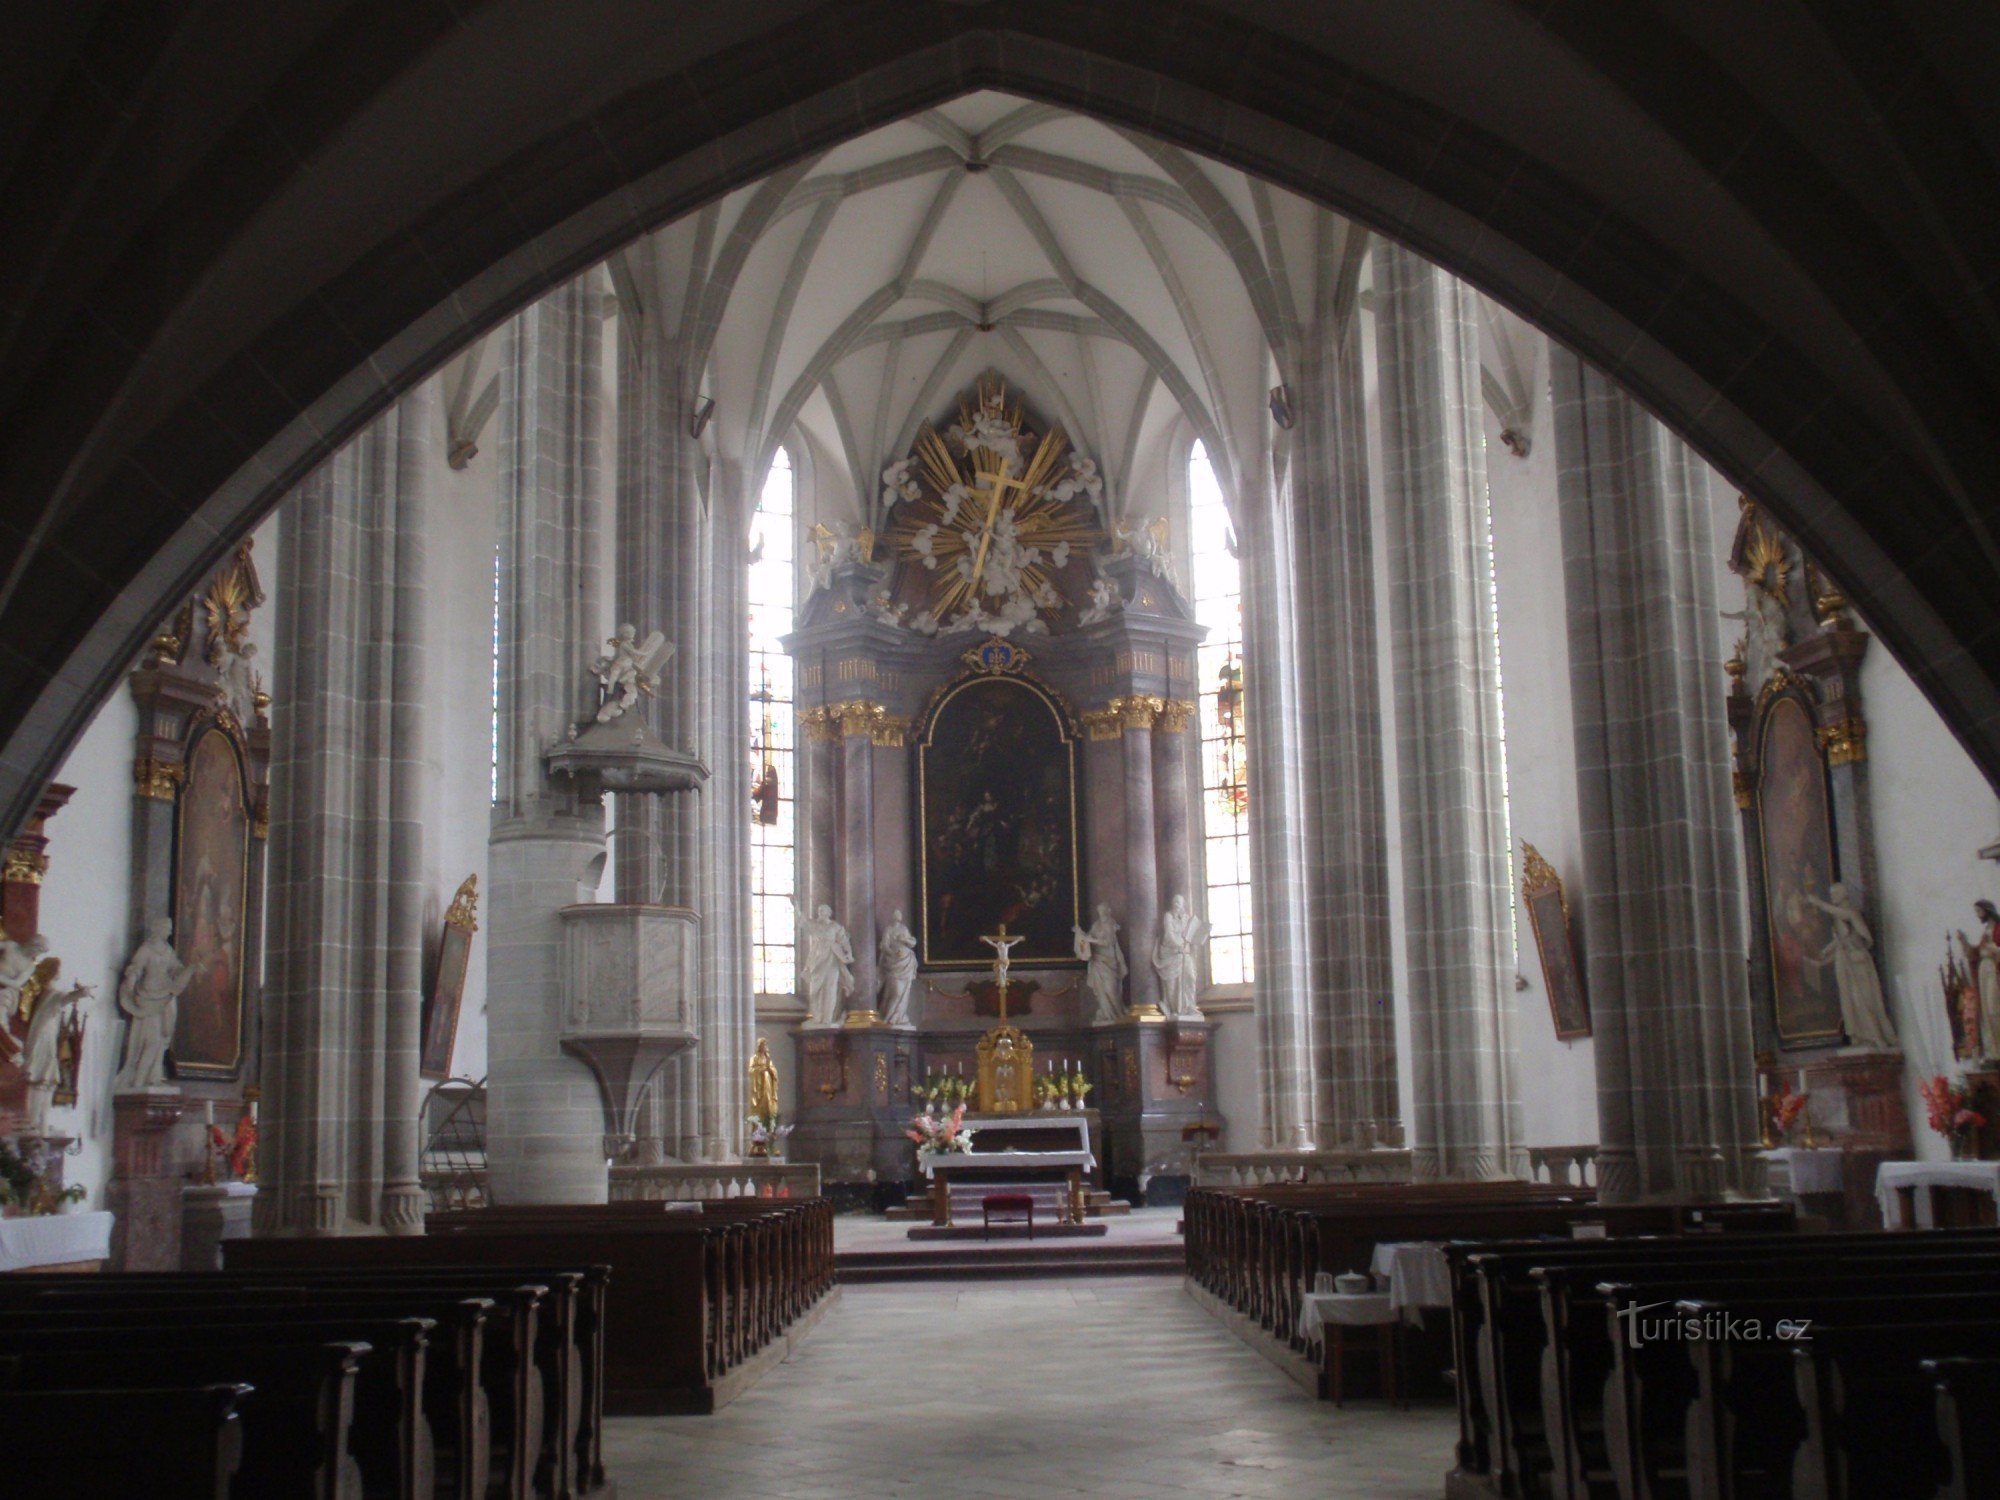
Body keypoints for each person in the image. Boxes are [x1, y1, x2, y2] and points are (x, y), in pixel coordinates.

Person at [1804, 883, 1898, 1050]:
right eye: (1831, 894)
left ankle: (1876, 1036)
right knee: (1849, 1002)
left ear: (1844, 894)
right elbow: (1840, 943)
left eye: (1835, 893)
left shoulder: (1851, 913)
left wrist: (1819, 903)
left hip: (1858, 962)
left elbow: (1846, 919)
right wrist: (1823, 955)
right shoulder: (1838, 918)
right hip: (1844, 962)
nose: (1832, 897)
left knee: (1864, 999)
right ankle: (1859, 1037)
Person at [115, 916, 193, 1089]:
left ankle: (153, 1078)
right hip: (149, 997)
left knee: (162, 1042)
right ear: (157, 928)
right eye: (166, 928)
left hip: (165, 997)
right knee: (152, 1042)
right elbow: (136, 967)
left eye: (170, 929)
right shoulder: (146, 949)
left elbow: (176, 969)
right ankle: (138, 1081)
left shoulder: (168, 950)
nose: (169, 932)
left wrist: (189, 969)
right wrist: (131, 979)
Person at [798, 903, 856, 1026]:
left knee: (830, 988)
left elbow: (844, 941)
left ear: (829, 913)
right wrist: (796, 906)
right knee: (814, 991)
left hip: (832, 958)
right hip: (816, 958)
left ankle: (827, 1019)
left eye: (823, 910)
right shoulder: (815, 925)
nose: (820, 913)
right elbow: (803, 922)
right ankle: (817, 1017)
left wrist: (849, 954)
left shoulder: (835, 927)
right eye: (819, 911)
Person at [1153, 894, 1207, 1019]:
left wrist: (1198, 937)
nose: (1176, 904)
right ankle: (1175, 1009)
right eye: (1175, 902)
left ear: (1183, 905)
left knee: (1190, 977)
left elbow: (1191, 935)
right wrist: (1178, 946)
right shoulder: (1168, 916)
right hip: (1171, 953)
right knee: (1172, 985)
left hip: (1184, 954)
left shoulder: (1187, 918)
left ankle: (1189, 1006)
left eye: (1179, 902)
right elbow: (1168, 935)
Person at [1958, 900, 2000, 1060]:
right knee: (1986, 1012)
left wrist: (1991, 948)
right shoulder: (1986, 931)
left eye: (1979, 911)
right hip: (1984, 969)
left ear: (1987, 911)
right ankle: (1993, 1052)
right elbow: (1975, 954)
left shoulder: (1998, 929)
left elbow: (1995, 950)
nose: (1978, 915)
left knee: (1994, 1009)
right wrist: (1964, 942)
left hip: (1993, 969)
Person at [1073, 904, 1129, 1024]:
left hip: (1109, 961)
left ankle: (1118, 1014)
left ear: (1109, 910)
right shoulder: (1096, 925)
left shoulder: (1110, 923)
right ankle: (1107, 1014)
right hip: (1097, 960)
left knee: (1111, 989)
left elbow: (1108, 942)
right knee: (1101, 991)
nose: (1101, 912)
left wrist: (1091, 940)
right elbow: (1088, 937)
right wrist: (1079, 933)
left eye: (1103, 910)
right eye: (1099, 910)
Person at [878, 911, 919, 1027]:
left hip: (906, 962)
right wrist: (893, 953)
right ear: (893, 917)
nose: (898, 916)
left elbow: (911, 942)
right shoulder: (888, 929)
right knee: (895, 992)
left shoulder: (904, 928)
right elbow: (885, 945)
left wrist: (904, 940)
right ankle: (887, 1017)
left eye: (899, 915)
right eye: (896, 915)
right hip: (893, 963)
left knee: (904, 992)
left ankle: (897, 1017)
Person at [748, 1036, 780, 1123]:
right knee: (761, 1101)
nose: (764, 1047)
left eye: (765, 1045)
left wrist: (770, 1069)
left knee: (768, 1100)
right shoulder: (754, 1058)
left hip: (768, 1082)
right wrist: (761, 1070)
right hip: (759, 1083)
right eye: (763, 1045)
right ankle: (759, 1119)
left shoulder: (767, 1058)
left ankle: (769, 1120)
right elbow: (751, 1070)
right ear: (759, 1046)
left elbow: (773, 1069)